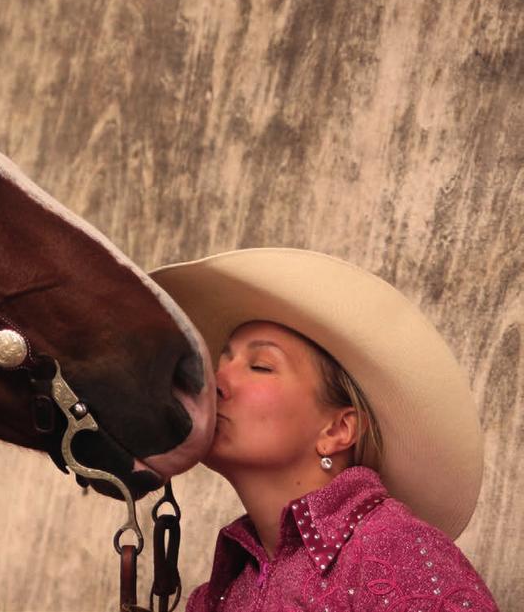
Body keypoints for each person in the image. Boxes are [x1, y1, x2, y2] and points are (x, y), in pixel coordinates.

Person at [151, 248, 500, 611]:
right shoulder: (221, 594)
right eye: (221, 360)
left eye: (260, 366)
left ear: (337, 429)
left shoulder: (396, 551)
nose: (215, 381)